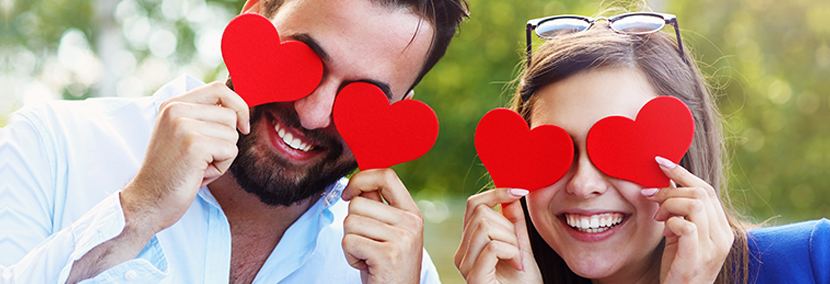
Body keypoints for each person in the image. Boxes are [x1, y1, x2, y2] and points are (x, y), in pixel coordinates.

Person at [0, 0, 468, 283]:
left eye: (362, 97)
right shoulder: (50, 146)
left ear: (400, 107)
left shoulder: (397, 268)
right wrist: (136, 213)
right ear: (255, 15)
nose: (312, 112)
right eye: (304, 57)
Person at [454, 9, 829, 284]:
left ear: (684, 154)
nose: (583, 184)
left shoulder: (816, 261)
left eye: (620, 150)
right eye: (555, 151)